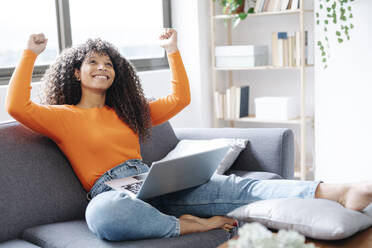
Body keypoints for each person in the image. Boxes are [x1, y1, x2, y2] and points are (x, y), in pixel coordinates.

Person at [5, 29, 372, 242]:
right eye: (93, 63)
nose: (103, 68)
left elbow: (180, 98)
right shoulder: (62, 117)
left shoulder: (129, 112)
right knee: (103, 216)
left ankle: (337, 191)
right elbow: (18, 108)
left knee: (235, 187)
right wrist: (29, 54)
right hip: (112, 192)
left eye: (109, 64)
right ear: (75, 73)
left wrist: (172, 51)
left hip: (152, 182)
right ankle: (188, 225)